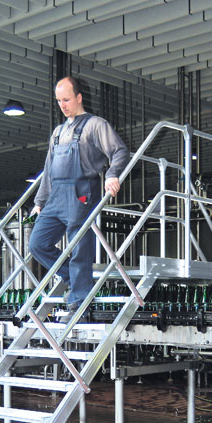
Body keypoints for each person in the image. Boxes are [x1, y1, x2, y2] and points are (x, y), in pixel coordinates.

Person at [29, 76, 129, 316]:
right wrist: (40, 202)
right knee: (37, 244)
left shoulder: (96, 125)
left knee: (79, 247)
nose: (62, 105)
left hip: (81, 192)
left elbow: (119, 151)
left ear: (79, 97)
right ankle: (71, 277)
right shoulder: (57, 132)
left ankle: (79, 301)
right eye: (58, 101)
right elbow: (48, 170)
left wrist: (112, 175)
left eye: (66, 99)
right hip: (56, 197)